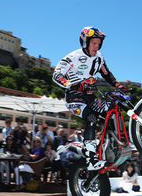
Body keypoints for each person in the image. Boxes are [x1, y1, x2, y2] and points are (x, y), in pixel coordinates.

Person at [53, 26, 128, 170]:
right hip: (74, 98)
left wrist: (117, 85)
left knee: (112, 109)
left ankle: (111, 147)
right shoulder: (72, 57)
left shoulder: (99, 57)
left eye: (99, 44)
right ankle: (90, 158)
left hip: (91, 97)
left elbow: (107, 74)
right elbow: (56, 75)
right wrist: (74, 84)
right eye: (94, 43)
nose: (96, 46)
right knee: (91, 117)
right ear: (85, 42)